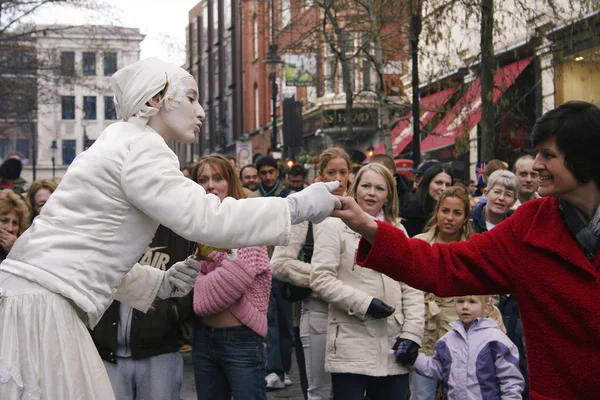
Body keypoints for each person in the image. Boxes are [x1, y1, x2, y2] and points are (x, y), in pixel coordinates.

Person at [0, 57, 340, 400]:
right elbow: (209, 219)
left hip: (30, 298)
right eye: (191, 97)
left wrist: (157, 282)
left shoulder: (115, 142)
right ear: (154, 100)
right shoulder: (142, 146)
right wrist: (296, 206)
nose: (202, 111)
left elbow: (80, 252)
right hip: (42, 306)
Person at [333, 101, 600, 400]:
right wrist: (367, 227)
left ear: (584, 159)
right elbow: (444, 265)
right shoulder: (530, 226)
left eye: (548, 155)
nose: (536, 164)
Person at [310, 163, 424, 400]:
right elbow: (320, 278)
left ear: (388, 196)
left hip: (393, 342)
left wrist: (412, 334)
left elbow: (412, 284)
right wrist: (365, 304)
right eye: (366, 186)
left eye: (379, 188)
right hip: (351, 341)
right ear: (355, 188)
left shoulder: (397, 229)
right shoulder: (334, 225)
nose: (372, 193)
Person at [271, 147, 352, 400]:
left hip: (355, 313)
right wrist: (323, 279)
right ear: (321, 174)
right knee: (316, 390)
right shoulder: (306, 208)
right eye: (331, 172)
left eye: (343, 172)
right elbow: (280, 263)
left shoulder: (360, 207)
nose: (338, 179)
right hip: (315, 309)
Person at [191, 154, 271, 400]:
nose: (210, 185)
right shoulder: (192, 227)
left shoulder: (247, 223)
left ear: (230, 182)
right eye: (203, 179)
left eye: (218, 178)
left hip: (242, 340)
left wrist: (199, 283)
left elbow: (223, 288)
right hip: (204, 340)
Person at [90, 224, 195, 400]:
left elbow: (191, 278)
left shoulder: (177, 230)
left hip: (159, 350)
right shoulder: (109, 223)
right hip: (107, 350)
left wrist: (174, 314)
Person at [409, 186, 472, 400]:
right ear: (437, 211)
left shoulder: (472, 249)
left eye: (457, 213)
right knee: (421, 395)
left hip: (458, 337)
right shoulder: (419, 243)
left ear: (465, 218)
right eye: (445, 211)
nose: (450, 218)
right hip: (423, 335)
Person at [405, 295, 524, 399]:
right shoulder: (447, 340)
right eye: (460, 301)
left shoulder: (496, 340)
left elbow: (511, 381)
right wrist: (414, 358)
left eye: (472, 302)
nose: (465, 306)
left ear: (486, 307)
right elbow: (438, 369)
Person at [401, 164, 453, 237]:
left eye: (448, 185)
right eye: (438, 183)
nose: (443, 188)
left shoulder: (453, 211)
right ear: (427, 184)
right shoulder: (412, 213)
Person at [0, 190, 30, 262]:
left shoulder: (25, 250)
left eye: (15, 223)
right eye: (4, 221)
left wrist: (15, 252)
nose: (10, 229)